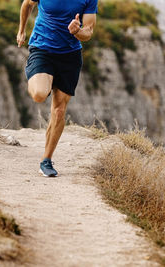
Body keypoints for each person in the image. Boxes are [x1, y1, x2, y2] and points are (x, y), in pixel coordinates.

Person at [17, 0, 97, 177]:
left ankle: (46, 160)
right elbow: (27, 4)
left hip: (70, 56)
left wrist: (77, 31)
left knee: (59, 110)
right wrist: (21, 30)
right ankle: (36, 71)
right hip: (42, 49)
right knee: (39, 94)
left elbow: (89, 32)